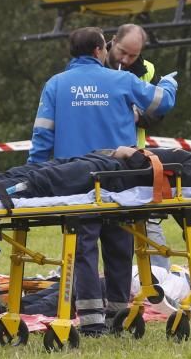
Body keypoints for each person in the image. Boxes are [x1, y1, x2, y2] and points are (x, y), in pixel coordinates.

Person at [29, 26, 177, 335]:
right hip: (118, 179)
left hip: (75, 183)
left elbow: (43, 137)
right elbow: (160, 102)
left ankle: (91, 321)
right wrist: (169, 83)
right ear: (100, 50)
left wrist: (36, 177)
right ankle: (118, 314)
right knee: (119, 244)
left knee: (82, 247)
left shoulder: (56, 85)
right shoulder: (121, 80)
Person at [105, 23, 169, 269]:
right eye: (122, 52)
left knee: (148, 222)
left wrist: (136, 116)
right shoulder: (94, 63)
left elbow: (159, 111)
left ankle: (160, 278)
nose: (127, 59)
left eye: (133, 55)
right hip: (97, 155)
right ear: (112, 41)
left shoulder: (148, 70)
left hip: (135, 158)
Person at [0, 145, 191, 198]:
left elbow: (155, 174)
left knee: (42, 178)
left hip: (110, 172)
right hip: (106, 165)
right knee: (39, 170)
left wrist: (129, 153)